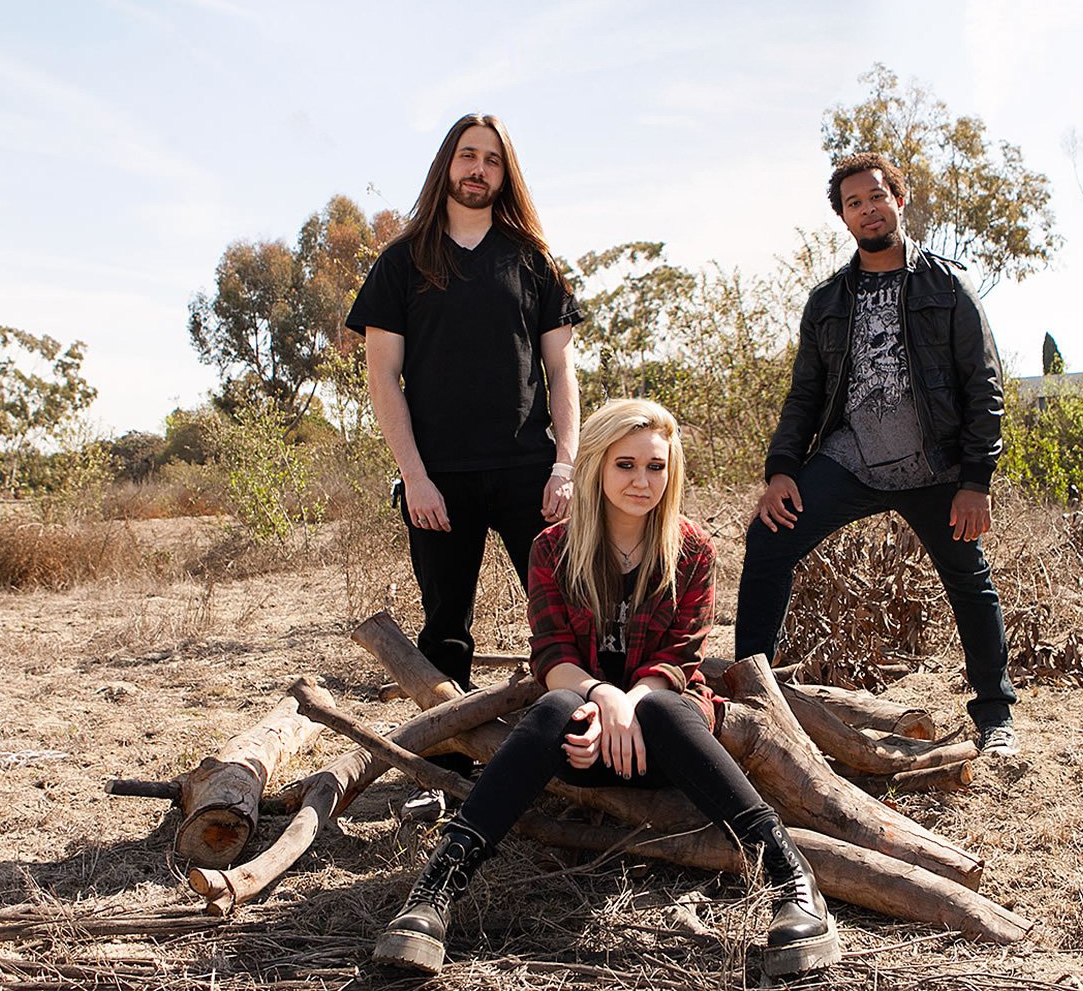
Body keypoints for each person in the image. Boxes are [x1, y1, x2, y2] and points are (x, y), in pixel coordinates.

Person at [373, 399, 840, 977]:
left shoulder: (692, 550)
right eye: (626, 465)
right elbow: (552, 656)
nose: (642, 481)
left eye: (656, 466)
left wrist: (630, 704)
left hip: (667, 745)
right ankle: (435, 891)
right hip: (581, 742)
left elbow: (679, 659)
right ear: (595, 466)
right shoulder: (553, 548)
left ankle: (792, 879)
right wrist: (605, 699)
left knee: (664, 708)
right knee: (555, 707)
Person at [735, 152, 1020, 757]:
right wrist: (781, 470)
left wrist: (976, 479)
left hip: (936, 467)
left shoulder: (946, 285)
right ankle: (749, 700)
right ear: (843, 217)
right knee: (767, 540)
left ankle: (995, 716)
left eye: (876, 197)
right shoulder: (827, 301)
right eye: (854, 203)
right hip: (852, 461)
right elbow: (805, 396)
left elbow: (984, 385)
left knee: (969, 580)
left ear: (898, 199)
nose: (868, 210)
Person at [346, 113, 583, 812]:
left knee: (567, 615)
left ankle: (579, 754)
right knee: (445, 628)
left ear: (505, 174)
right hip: (439, 478)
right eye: (467, 155)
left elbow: (561, 371)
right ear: (447, 165)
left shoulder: (533, 259)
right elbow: (383, 377)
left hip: (528, 471)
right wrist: (414, 475)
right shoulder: (402, 261)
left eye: (492, 160)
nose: (478, 169)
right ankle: (449, 774)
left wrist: (565, 464)